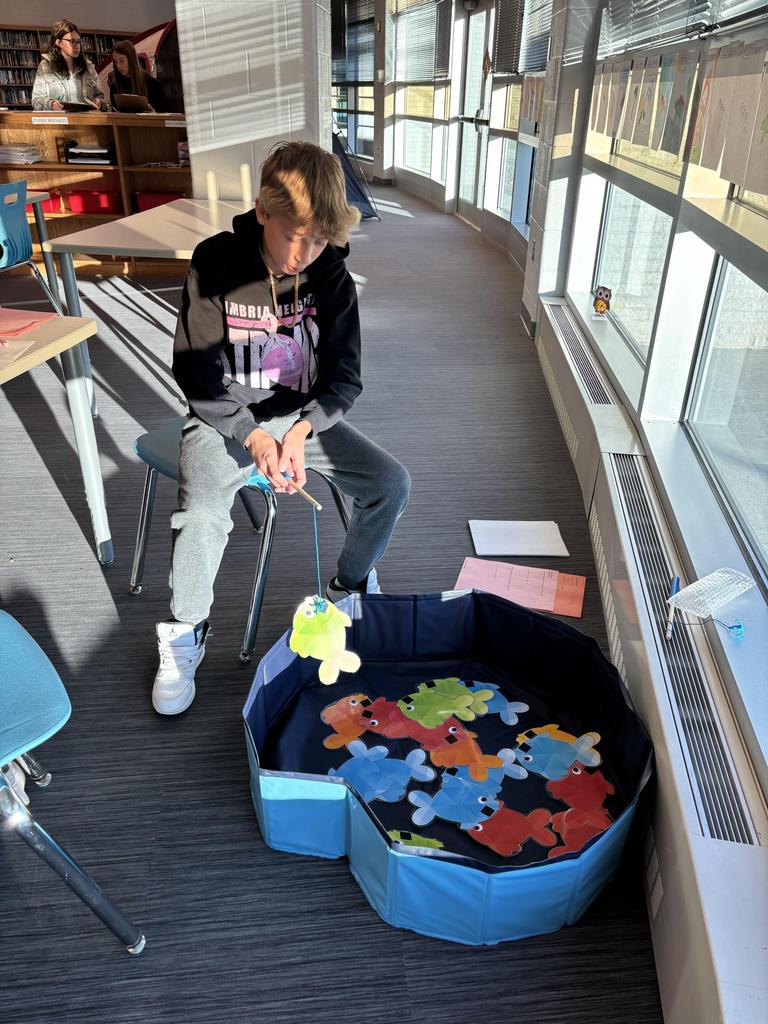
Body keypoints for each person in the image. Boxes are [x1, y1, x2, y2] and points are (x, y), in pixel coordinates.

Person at [153, 141, 410, 715]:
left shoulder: (330, 269)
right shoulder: (215, 261)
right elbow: (194, 372)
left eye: (317, 240)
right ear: (262, 211)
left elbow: (345, 377)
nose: (303, 254)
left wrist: (302, 431)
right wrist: (251, 434)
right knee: (200, 513)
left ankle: (348, 587)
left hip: (300, 420)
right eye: (294, 235)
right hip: (226, 419)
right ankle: (186, 630)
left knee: (390, 484)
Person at [31, 20, 107, 111]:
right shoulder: (45, 66)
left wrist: (99, 101)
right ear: (58, 42)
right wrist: (50, 104)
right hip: (60, 118)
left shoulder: (88, 67)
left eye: (78, 42)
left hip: (85, 118)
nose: (76, 46)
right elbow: (36, 100)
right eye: (72, 41)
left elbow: (100, 96)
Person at [108, 40, 169, 113]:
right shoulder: (114, 85)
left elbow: (166, 113)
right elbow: (114, 111)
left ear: (131, 59)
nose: (118, 66)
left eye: (121, 61)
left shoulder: (153, 84)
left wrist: (154, 113)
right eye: (115, 62)